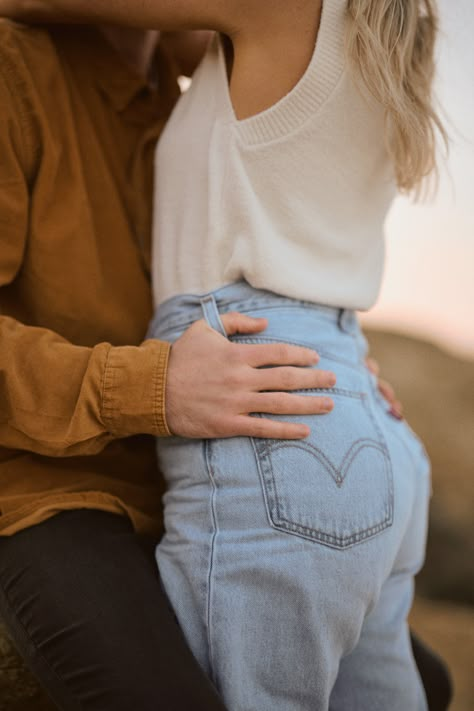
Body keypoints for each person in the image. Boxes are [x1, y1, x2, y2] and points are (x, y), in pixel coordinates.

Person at [0, 3, 453, 711]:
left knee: (430, 678)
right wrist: (153, 386)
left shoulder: (206, 74)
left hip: (209, 465)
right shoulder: (17, 67)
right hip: (53, 489)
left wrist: (329, 366)